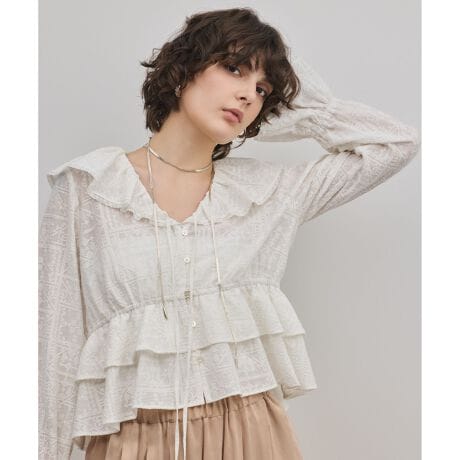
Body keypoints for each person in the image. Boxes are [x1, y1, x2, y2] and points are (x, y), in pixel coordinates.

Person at [38, 7, 420, 460]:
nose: (247, 95)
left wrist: (303, 110)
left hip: (250, 435)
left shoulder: (268, 193)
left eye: (262, 90)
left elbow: (396, 143)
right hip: (131, 441)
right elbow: (53, 349)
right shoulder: (89, 188)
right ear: (183, 69)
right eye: (234, 68)